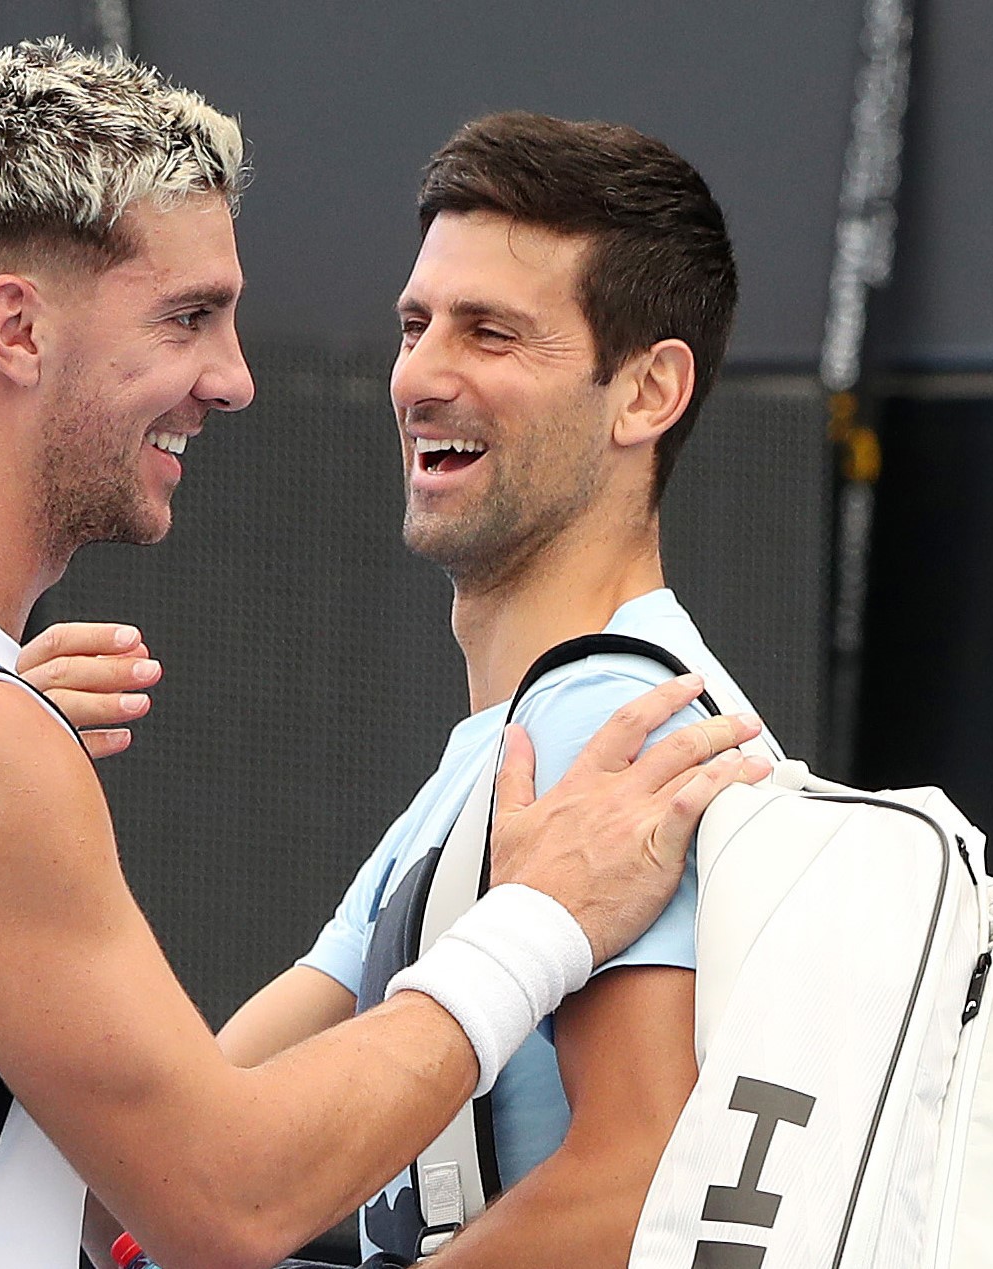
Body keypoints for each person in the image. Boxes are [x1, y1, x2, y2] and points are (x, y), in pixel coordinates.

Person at [0, 43, 767, 1269]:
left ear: (646, 393)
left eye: (489, 332)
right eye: (186, 318)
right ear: (15, 326)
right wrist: (541, 918)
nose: (234, 379)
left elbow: (178, 1155)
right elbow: (219, 1194)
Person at [212, 113, 768, 1266]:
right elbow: (204, 1147)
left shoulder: (604, 722)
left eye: (492, 334)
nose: (420, 374)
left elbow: (638, 1186)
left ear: (647, 391)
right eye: (414, 325)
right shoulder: (499, 747)